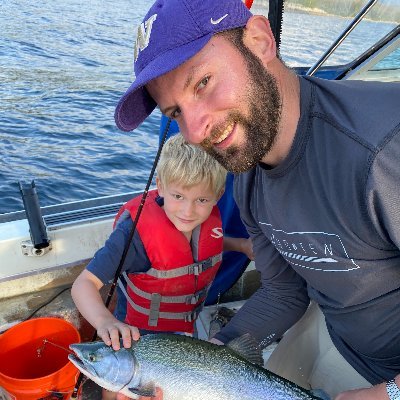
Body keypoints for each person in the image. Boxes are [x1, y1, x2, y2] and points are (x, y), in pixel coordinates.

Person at [112, 0, 400, 399]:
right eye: (176, 111)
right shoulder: (246, 174)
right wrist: (212, 356)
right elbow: (284, 291)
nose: (194, 132)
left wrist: (388, 394)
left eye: (202, 83)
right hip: (338, 336)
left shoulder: (385, 150)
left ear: (261, 41)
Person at [72, 134, 251, 399]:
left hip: (181, 332)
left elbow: (206, 244)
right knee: (117, 388)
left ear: (218, 194)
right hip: (134, 338)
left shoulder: (202, 220)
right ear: (160, 186)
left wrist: (240, 245)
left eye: (201, 200)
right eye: (178, 196)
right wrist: (105, 322)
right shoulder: (131, 236)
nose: (188, 211)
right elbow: (83, 284)